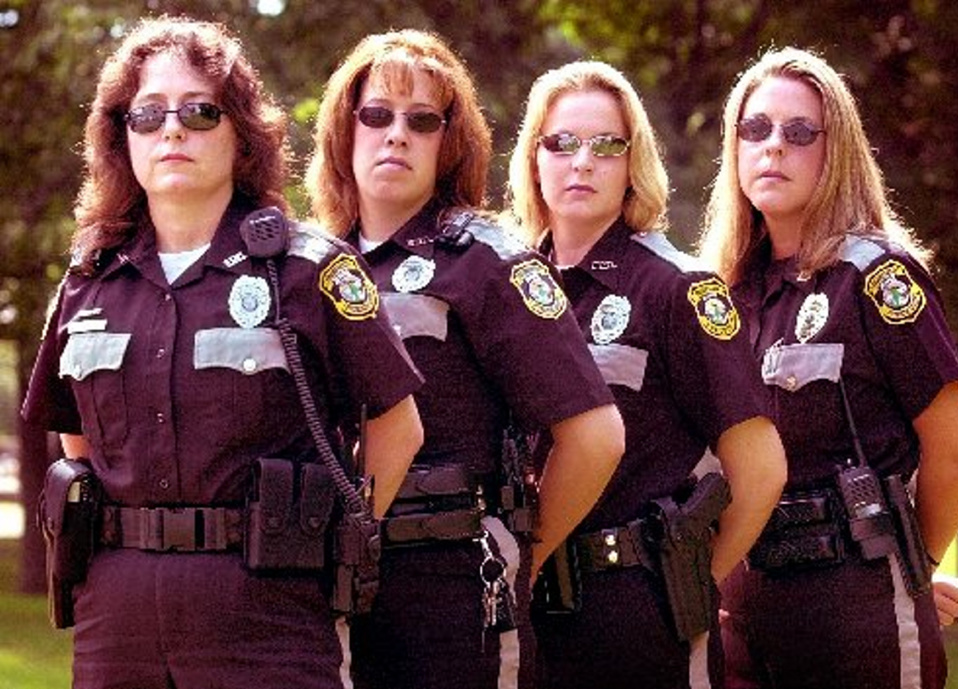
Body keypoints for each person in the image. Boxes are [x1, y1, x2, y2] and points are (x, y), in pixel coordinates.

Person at [21, 16, 424, 689]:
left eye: (199, 111)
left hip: (267, 618)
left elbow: (396, 424)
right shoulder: (89, 280)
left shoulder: (310, 271)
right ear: (122, 136)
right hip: (115, 621)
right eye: (147, 114)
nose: (171, 129)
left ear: (240, 132)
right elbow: (77, 439)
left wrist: (337, 533)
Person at [304, 30, 625, 689]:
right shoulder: (304, 266)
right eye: (377, 114)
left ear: (448, 142)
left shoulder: (488, 263)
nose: (396, 134)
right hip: (317, 587)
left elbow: (594, 436)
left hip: (450, 588)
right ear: (345, 127)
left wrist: (522, 553)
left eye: (422, 120)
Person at [698, 46, 958, 689]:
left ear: (837, 151)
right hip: (740, 611)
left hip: (852, 607)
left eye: (799, 133)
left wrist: (914, 566)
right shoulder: (721, 294)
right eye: (755, 129)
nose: (773, 147)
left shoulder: (877, 279)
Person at [506, 60, 787, 689]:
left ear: (634, 162)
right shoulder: (507, 290)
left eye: (606, 145)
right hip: (524, 609)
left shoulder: (677, 291)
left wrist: (690, 577)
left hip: (637, 612)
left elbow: (761, 469)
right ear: (533, 159)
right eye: (562, 143)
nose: (582, 162)